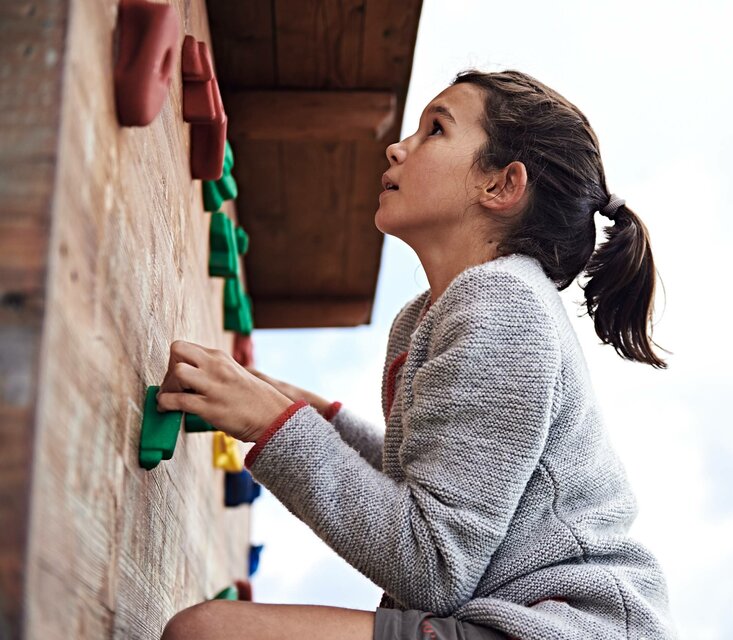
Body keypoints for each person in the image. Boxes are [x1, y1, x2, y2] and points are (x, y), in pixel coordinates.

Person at [158, 69, 677, 640]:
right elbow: (435, 491)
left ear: (502, 186)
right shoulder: (428, 314)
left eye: (435, 129)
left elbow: (433, 566)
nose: (397, 146)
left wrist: (273, 424)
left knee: (207, 634)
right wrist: (320, 421)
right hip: (514, 618)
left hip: (561, 628)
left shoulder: (504, 306)